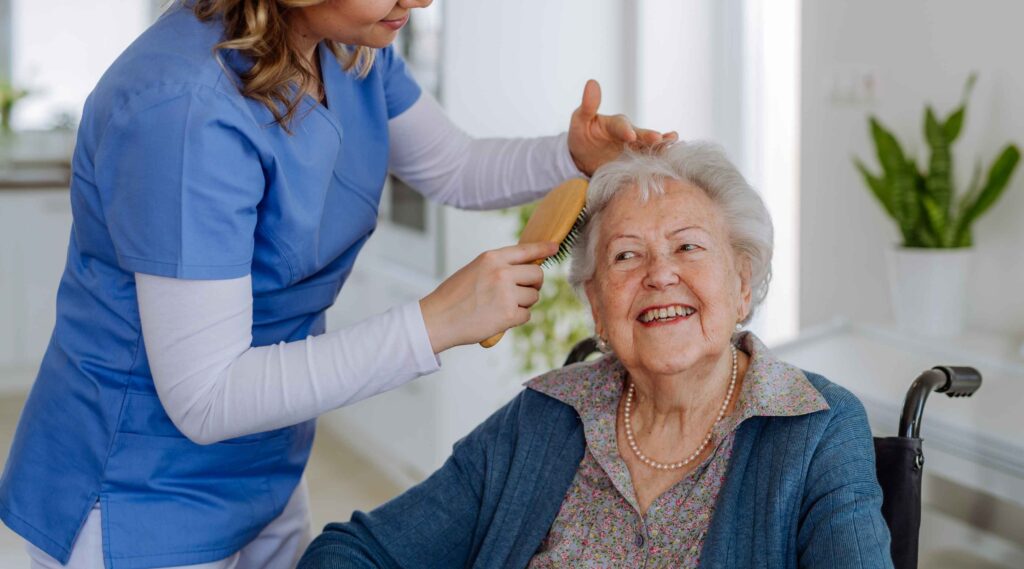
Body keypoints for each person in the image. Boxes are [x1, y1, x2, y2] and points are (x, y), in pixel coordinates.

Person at [0, 1, 676, 567]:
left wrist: (570, 155)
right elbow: (205, 397)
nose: (421, 0)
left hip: (263, 461)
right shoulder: (181, 110)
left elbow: (456, 166)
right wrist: (435, 321)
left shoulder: (347, 46)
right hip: (134, 495)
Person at [297, 142, 895, 569]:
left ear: (743, 283)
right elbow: (357, 552)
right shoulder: (545, 416)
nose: (661, 274)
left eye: (688, 246)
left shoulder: (816, 427)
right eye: (626, 256)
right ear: (597, 307)